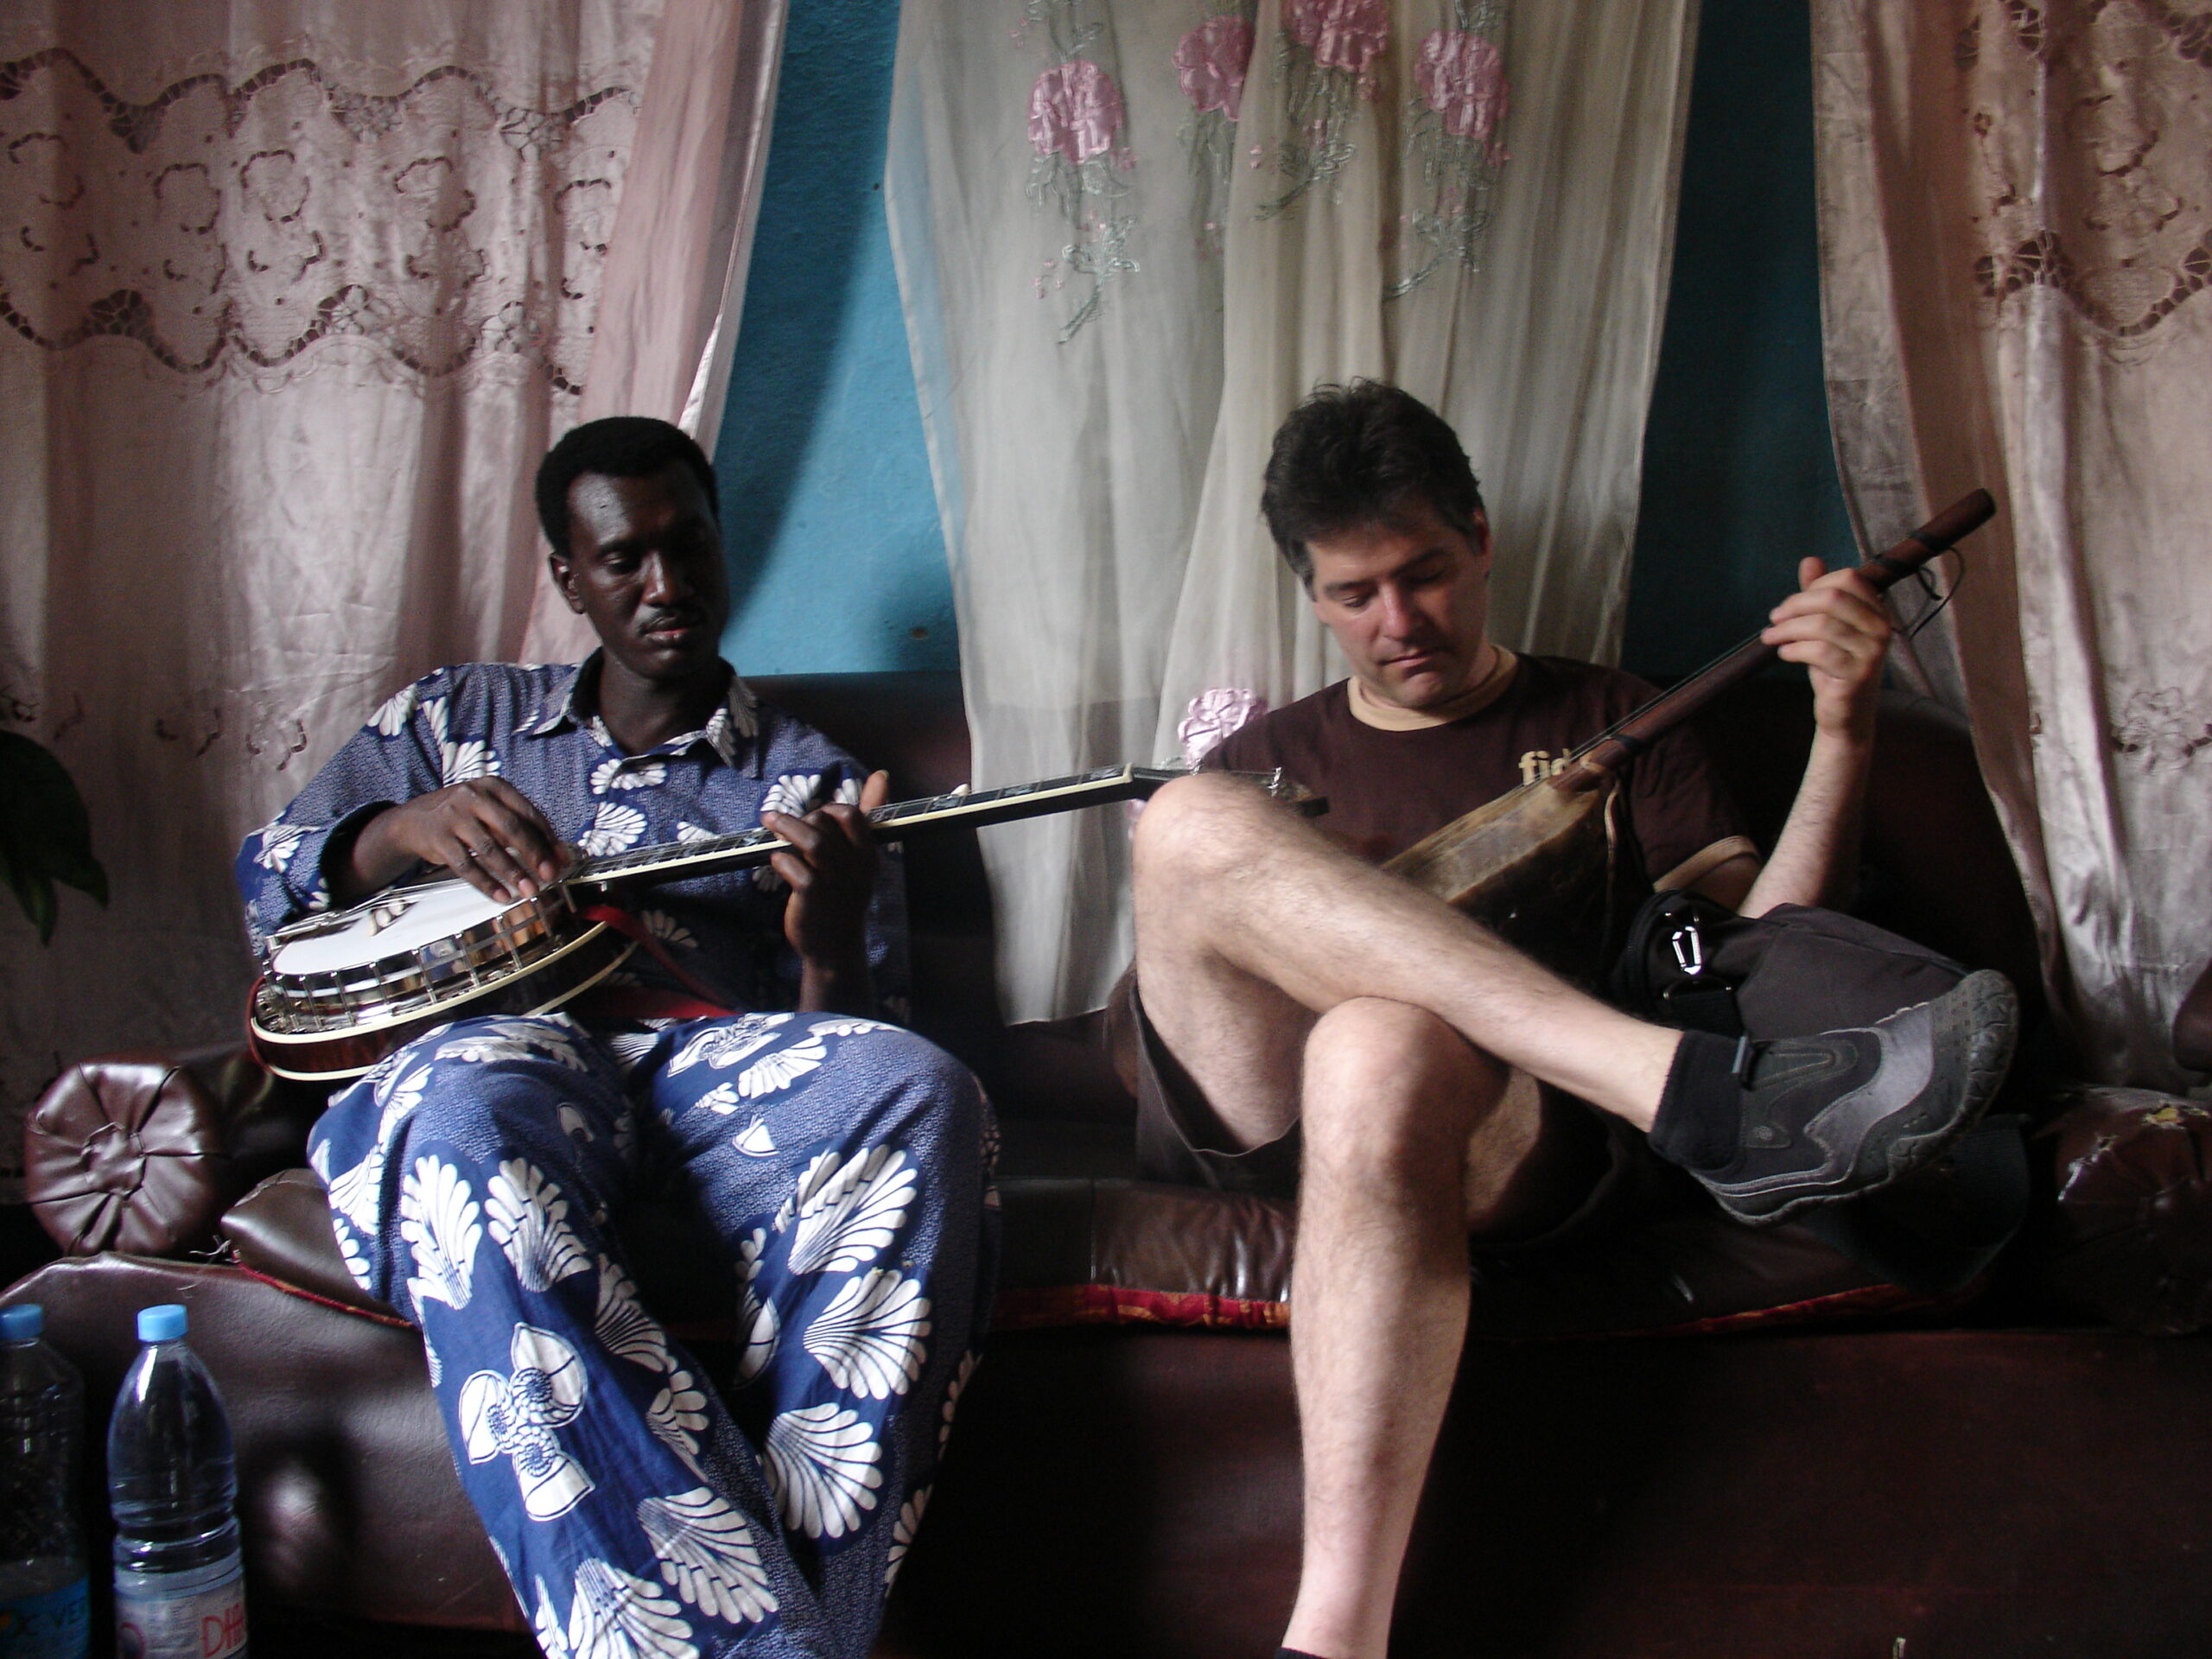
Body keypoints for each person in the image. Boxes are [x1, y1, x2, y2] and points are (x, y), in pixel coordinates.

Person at [1125, 382, 2017, 1659]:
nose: (1398, 623)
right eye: (1351, 594)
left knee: (1374, 1045)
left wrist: (1843, 724)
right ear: (1309, 596)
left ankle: (1331, 1642)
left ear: (1481, 537)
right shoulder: (1269, 762)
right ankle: (1693, 1097)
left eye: (1425, 573)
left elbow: (1752, 947)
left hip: (1493, 1129)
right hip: (1257, 1116)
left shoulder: (1613, 719)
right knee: (1188, 821)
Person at [237, 417, 991, 1659]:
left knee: (914, 1087)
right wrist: (398, 831)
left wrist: (827, 944)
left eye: (689, 547)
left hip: (698, 1075)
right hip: (491, 1053)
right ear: (566, 575)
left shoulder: (809, 781)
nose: (667, 587)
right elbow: (267, 878)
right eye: (626, 558)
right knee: (472, 1111)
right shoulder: (453, 721)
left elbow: (846, 1045)